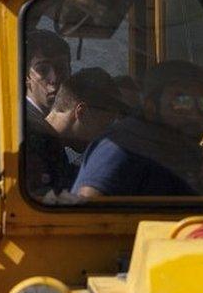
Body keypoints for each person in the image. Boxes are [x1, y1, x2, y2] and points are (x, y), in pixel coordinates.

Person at [72, 60, 203, 197]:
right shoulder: (123, 146)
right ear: (151, 107)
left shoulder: (185, 154)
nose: (194, 114)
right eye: (181, 102)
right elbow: (85, 211)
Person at [25, 67, 127, 196]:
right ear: (82, 112)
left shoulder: (47, 145)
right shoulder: (41, 148)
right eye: (104, 126)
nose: (103, 136)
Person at [25, 29, 71, 125]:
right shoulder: (27, 125)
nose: (54, 78)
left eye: (61, 67)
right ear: (26, 77)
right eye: (42, 70)